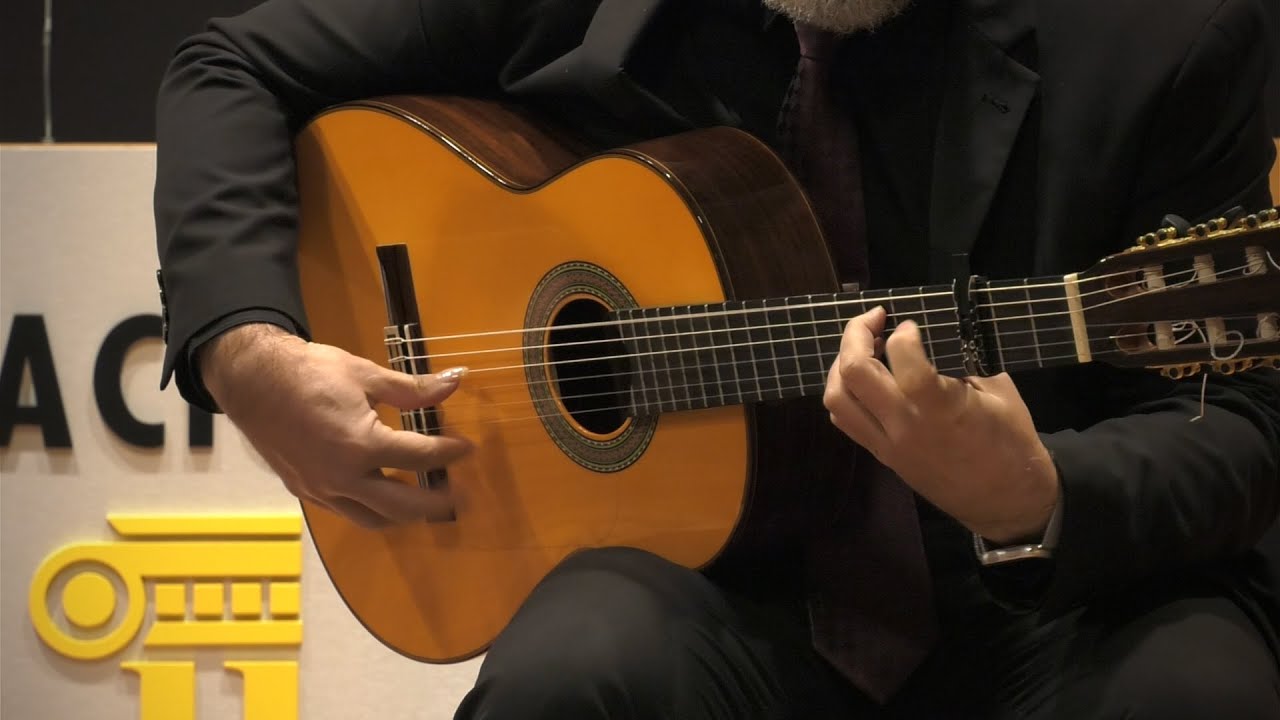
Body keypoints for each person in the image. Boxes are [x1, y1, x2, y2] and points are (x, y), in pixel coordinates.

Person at [153, 0, 1280, 717]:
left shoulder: (1165, 33)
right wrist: (250, 360)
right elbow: (229, 69)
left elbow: (1241, 423)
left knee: (1195, 689)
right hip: (728, 611)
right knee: (574, 667)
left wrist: (1033, 494)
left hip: (1052, 621)